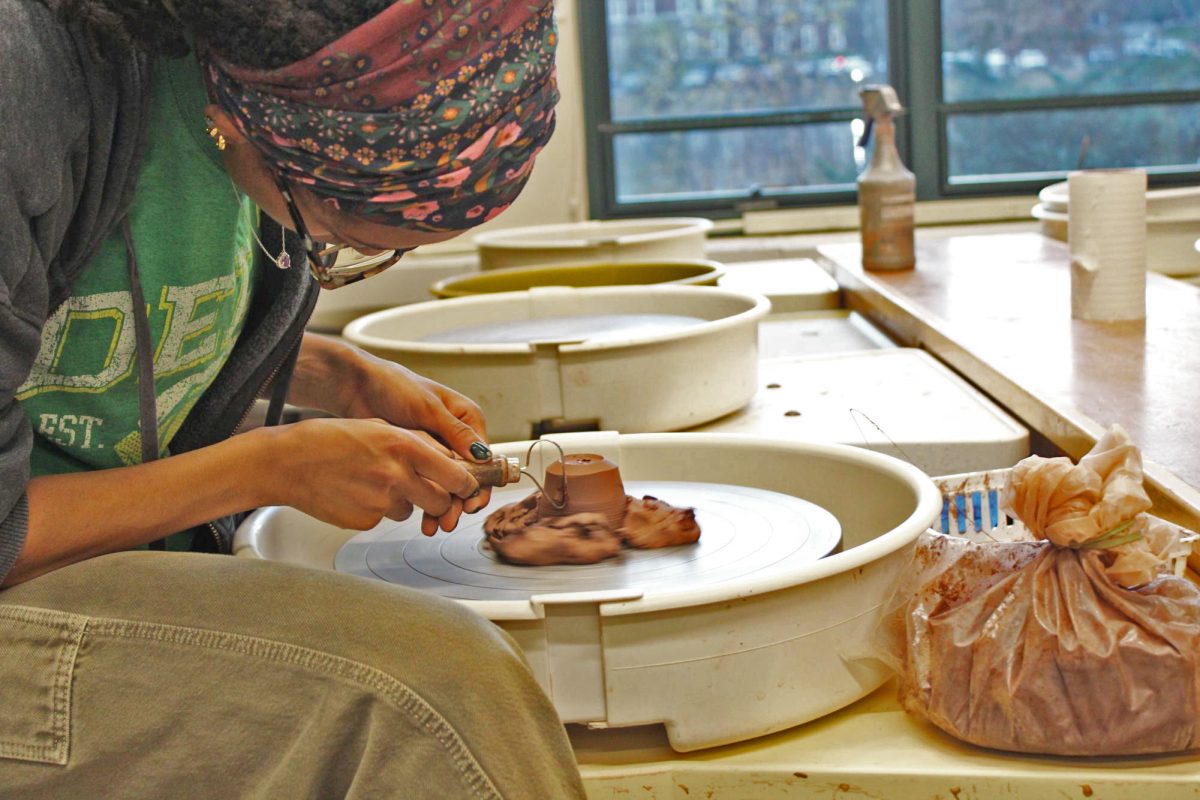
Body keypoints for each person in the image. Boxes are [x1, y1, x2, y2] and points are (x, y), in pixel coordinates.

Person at [0, 0, 587, 796]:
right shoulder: (23, 100)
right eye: (351, 249)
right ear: (234, 129)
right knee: (436, 694)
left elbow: (70, 335)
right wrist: (260, 470)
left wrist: (333, 375)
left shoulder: (234, 45)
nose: (337, 260)